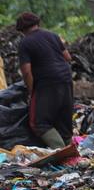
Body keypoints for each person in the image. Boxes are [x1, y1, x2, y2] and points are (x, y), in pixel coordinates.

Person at [15, 12, 74, 149]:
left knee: (39, 122)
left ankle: (61, 152)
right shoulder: (52, 35)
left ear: (22, 30)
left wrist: (31, 91)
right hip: (66, 79)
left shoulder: (25, 43)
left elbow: (27, 71)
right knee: (63, 121)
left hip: (47, 83)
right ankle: (72, 155)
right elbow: (68, 57)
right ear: (37, 23)